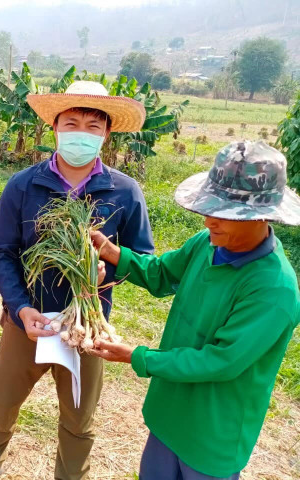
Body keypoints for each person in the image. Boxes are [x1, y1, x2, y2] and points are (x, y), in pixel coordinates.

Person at [0, 81, 154, 480]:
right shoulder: (24, 185)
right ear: (56, 128)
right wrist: (20, 308)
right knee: (4, 401)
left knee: (80, 416)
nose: (81, 133)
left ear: (106, 134)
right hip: (27, 321)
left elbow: (142, 256)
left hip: (88, 325)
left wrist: (107, 271)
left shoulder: (124, 191)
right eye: (72, 123)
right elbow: (3, 251)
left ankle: (72, 476)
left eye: (93, 127)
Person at [90, 140, 300, 480]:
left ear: (261, 215)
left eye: (224, 214)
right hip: (170, 411)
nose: (208, 222)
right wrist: (114, 253)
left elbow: (221, 361)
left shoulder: (273, 289)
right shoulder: (207, 244)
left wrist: (138, 357)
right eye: (209, 208)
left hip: (213, 433)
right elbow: (162, 274)